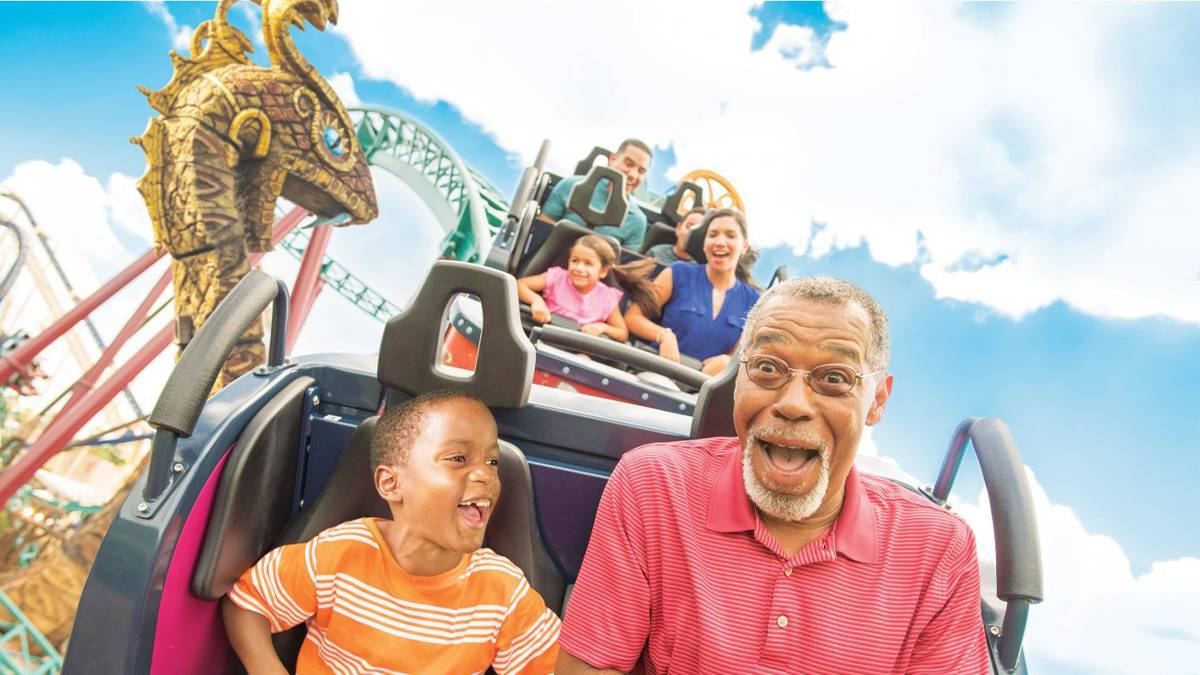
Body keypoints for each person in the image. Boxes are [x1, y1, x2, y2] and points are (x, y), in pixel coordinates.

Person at [557, 277, 990, 675]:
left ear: (877, 401)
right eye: (767, 368)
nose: (793, 403)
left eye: (834, 378)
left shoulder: (939, 549)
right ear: (738, 377)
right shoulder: (654, 484)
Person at [223, 390, 561, 675]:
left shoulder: (501, 590)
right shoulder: (341, 553)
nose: (485, 476)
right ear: (392, 484)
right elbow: (249, 605)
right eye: (459, 458)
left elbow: (558, 667)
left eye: (492, 462)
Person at [624, 208, 760, 376]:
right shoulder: (678, 273)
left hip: (704, 390)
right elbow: (633, 318)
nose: (720, 242)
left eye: (730, 236)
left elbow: (744, 354)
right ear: (704, 243)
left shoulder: (754, 302)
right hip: (656, 375)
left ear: (744, 246)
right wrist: (663, 335)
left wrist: (728, 361)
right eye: (713, 235)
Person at [517, 234, 657, 343]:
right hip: (545, 337)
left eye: (588, 264)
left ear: (602, 271)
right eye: (575, 261)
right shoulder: (556, 277)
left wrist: (602, 327)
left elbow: (622, 333)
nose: (579, 268)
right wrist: (536, 301)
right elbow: (519, 284)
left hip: (579, 350)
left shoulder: (607, 297)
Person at [540, 139, 652, 251]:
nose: (633, 174)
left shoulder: (638, 221)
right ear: (612, 159)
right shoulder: (570, 186)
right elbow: (541, 231)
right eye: (628, 163)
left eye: (641, 171)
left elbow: (623, 265)